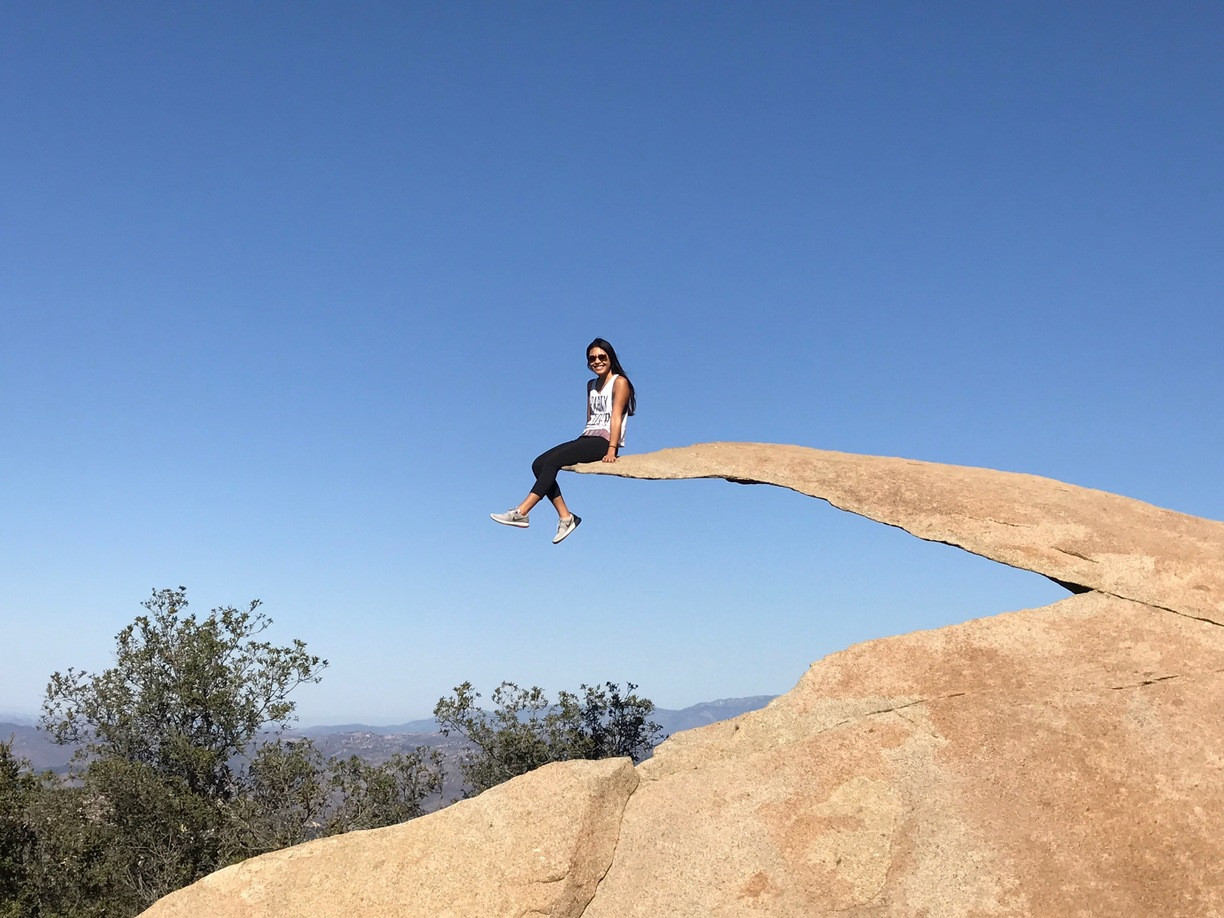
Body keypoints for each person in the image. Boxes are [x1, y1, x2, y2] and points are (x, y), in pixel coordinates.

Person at [491, 337, 637, 544]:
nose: (597, 361)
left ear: (610, 358)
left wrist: (612, 449)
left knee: (552, 463)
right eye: (592, 359)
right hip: (587, 436)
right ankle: (567, 517)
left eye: (601, 357)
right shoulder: (591, 385)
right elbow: (590, 417)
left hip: (603, 441)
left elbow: (615, 417)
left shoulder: (619, 382)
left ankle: (522, 512)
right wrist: (579, 443)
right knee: (538, 464)